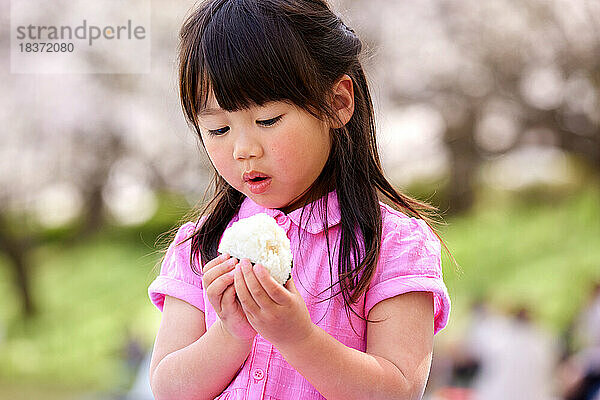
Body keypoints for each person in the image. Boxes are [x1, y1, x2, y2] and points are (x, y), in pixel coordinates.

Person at [147, 1, 453, 399]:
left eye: (268, 120)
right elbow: (168, 389)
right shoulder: (202, 246)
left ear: (338, 102)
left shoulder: (393, 244)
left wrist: (298, 337)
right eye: (218, 128)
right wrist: (231, 332)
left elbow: (397, 390)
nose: (244, 149)